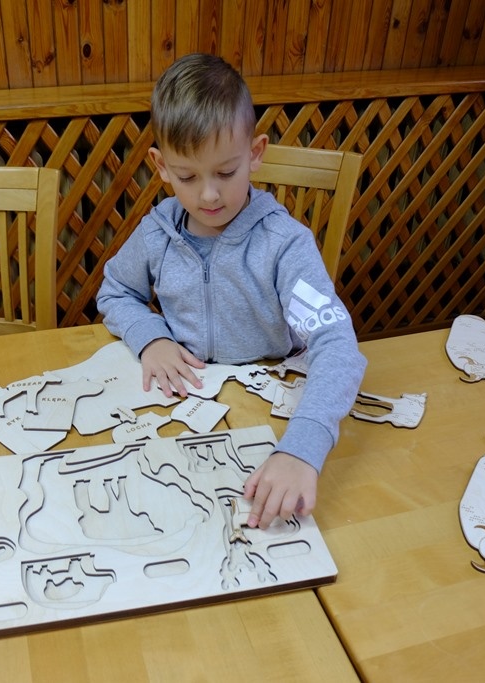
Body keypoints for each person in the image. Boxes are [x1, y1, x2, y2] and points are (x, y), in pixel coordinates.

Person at [96, 53, 367, 529]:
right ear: (160, 165)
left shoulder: (284, 245)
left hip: (275, 416)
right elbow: (115, 291)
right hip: (186, 413)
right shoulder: (157, 233)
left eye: (225, 173)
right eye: (187, 176)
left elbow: (336, 344)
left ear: (256, 153)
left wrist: (303, 447)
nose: (208, 195)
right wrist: (151, 338)